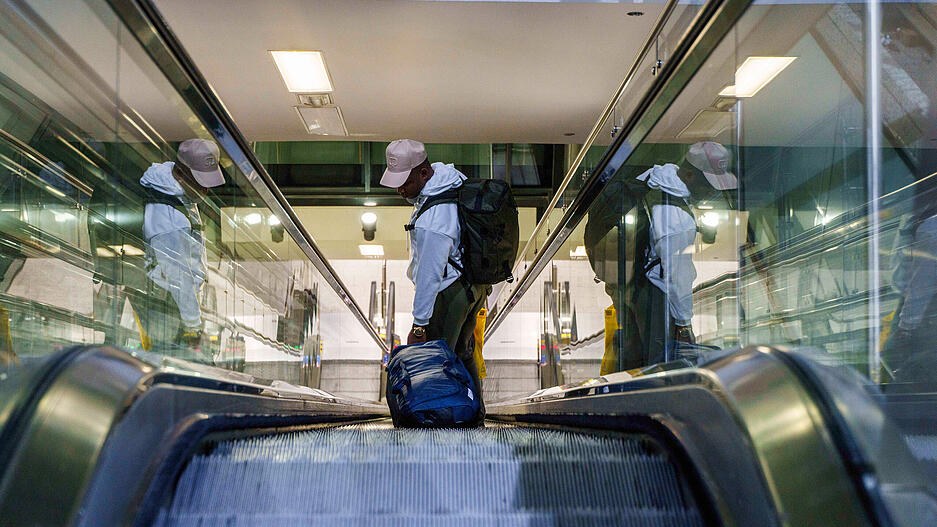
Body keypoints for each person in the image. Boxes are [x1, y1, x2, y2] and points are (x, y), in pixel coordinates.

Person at [585, 141, 737, 371]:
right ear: (688, 174)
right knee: (656, 366)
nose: (713, 192)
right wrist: (684, 324)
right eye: (709, 185)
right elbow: (677, 277)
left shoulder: (654, 177)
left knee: (632, 356)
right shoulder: (677, 216)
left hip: (627, 285)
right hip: (652, 295)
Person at [380, 139, 488, 421]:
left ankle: (447, 421)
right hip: (472, 285)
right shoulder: (450, 180)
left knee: (437, 361)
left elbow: (430, 275)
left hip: (450, 291)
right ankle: (476, 417)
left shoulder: (432, 221)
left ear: (424, 173)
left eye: (405, 182)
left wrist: (419, 324)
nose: (400, 190)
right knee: (462, 353)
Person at [140, 138, 224, 355]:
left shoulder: (175, 189)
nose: (205, 189)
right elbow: (178, 277)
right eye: (200, 181)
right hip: (170, 306)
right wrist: (193, 326)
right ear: (181, 173)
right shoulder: (168, 221)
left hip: (176, 302)